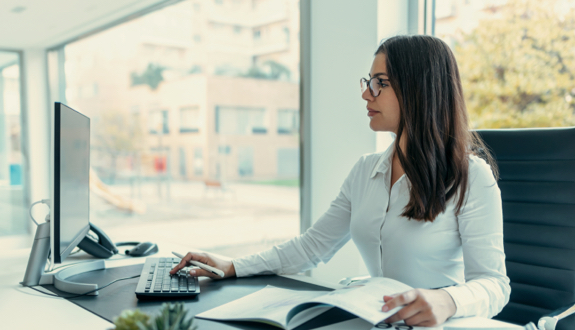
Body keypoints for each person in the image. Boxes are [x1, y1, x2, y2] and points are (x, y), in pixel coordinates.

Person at [170, 35, 510, 327]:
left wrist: (445, 301)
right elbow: (311, 247)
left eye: (381, 83)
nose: (367, 94)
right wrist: (231, 266)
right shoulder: (365, 171)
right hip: (376, 319)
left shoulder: (471, 177)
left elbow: (495, 285)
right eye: (368, 81)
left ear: (419, 89)